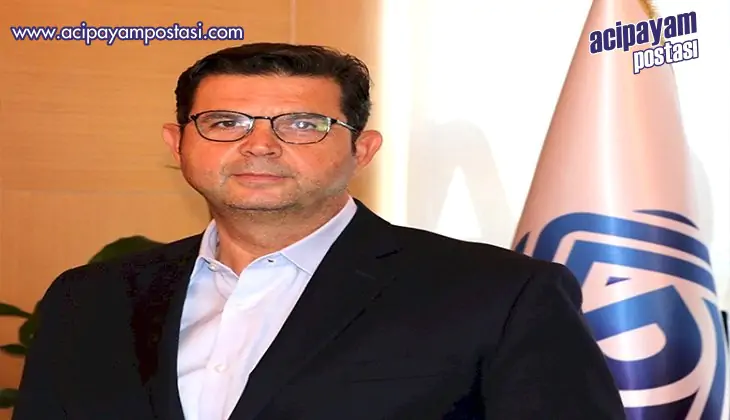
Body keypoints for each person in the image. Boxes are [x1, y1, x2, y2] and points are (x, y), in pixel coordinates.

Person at [12, 42, 625, 420]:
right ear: (178, 145)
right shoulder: (87, 299)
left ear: (363, 150)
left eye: (303, 125)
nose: (259, 145)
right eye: (224, 122)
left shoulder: (502, 294)